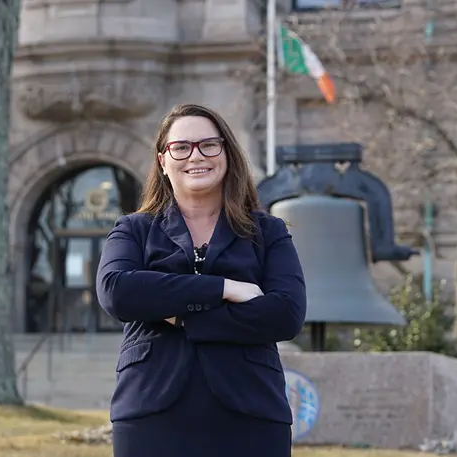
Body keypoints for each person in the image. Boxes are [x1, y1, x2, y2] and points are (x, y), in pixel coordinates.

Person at [96, 103, 307, 457]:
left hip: (251, 411)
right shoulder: (134, 229)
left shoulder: (267, 231)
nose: (196, 156)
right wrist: (225, 288)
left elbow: (286, 314)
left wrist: (181, 316)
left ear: (226, 153)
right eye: (181, 147)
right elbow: (117, 291)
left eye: (209, 145)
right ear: (163, 161)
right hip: (151, 411)